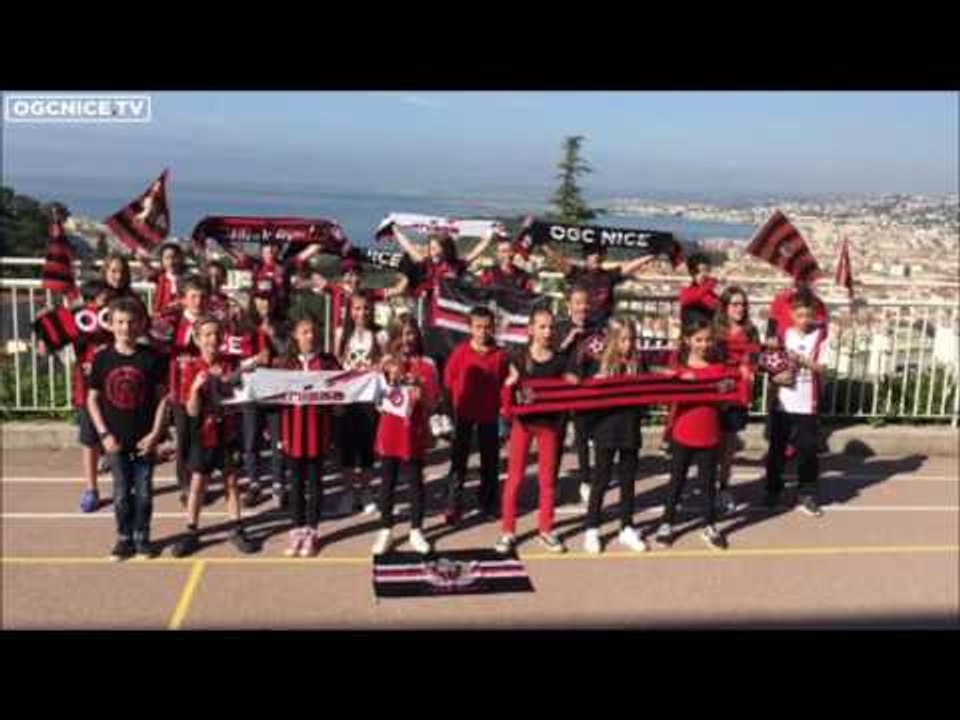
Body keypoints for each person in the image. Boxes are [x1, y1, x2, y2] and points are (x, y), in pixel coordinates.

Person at [86, 298, 169, 560]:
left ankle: (142, 536)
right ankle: (124, 537)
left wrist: (156, 434)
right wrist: (104, 435)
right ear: (110, 325)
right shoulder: (102, 359)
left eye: (132, 322)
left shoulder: (151, 359)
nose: (126, 327)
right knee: (121, 493)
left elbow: (163, 399)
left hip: (144, 440)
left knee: (144, 493)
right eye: (120, 322)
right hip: (115, 441)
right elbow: (92, 399)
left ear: (142, 325)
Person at [171, 316, 258, 557]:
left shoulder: (230, 364)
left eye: (217, 334)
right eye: (207, 334)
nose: (213, 339)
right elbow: (191, 410)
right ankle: (191, 530)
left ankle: (236, 527)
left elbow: (241, 395)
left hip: (227, 432)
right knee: (198, 483)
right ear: (197, 339)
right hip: (204, 434)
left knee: (231, 481)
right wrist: (196, 389)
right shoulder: (190, 367)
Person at [495, 308, 578, 555]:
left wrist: (573, 381)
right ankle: (508, 531)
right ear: (530, 329)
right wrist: (508, 387)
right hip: (523, 425)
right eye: (542, 327)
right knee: (514, 479)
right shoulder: (518, 357)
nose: (547, 332)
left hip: (548, 428)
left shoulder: (560, 360)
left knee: (547, 481)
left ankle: (545, 530)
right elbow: (506, 398)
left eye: (550, 327)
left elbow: (573, 387)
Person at [654, 316, 734, 551]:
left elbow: (726, 379)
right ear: (688, 340)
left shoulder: (717, 365)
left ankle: (709, 525)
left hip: (708, 431)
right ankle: (666, 523)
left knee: (707, 482)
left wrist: (695, 378)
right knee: (676, 480)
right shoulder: (678, 364)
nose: (704, 344)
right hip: (682, 430)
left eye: (708, 340)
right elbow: (666, 389)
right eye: (698, 340)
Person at [371, 317, 440, 556]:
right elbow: (377, 401)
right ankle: (385, 528)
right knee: (387, 481)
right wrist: (387, 376)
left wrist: (420, 395)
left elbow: (433, 403)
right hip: (390, 429)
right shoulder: (385, 363)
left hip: (415, 431)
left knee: (415, 481)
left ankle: (416, 529)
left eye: (410, 333)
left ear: (417, 336)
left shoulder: (428, 365)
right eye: (400, 334)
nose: (406, 339)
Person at [273, 318, 342, 557]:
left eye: (313, 331)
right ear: (295, 336)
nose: (310, 336)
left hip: (317, 430)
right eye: (304, 332)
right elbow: (273, 397)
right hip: (292, 431)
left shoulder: (326, 362)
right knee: (296, 484)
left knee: (315, 483)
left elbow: (342, 389)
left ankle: (312, 530)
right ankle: (296, 530)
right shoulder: (285, 364)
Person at [582, 316, 649, 554]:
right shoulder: (601, 365)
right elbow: (586, 395)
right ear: (612, 341)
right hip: (606, 430)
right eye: (623, 339)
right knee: (600, 480)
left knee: (628, 481)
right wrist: (597, 384)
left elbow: (648, 393)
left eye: (631, 339)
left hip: (630, 428)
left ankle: (627, 527)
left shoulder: (638, 363)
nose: (628, 344)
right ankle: (591, 528)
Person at [763, 289, 829, 517]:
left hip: (807, 403)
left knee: (808, 451)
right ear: (792, 314)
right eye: (800, 315)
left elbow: (822, 368)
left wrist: (801, 360)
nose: (804, 321)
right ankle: (773, 489)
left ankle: (807, 493)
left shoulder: (820, 337)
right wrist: (776, 376)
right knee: (776, 450)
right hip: (783, 401)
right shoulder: (783, 335)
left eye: (808, 316)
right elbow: (769, 365)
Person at [443, 306, 510, 523]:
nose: (483, 332)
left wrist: (503, 408)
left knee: (490, 462)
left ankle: (488, 503)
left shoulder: (499, 355)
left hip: (489, 415)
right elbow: (448, 381)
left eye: (487, 328)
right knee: (458, 461)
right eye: (478, 327)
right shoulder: (460, 352)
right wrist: (449, 409)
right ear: (470, 328)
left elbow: (504, 382)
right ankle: (453, 504)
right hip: (463, 413)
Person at [333, 293, 387, 515]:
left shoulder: (380, 334)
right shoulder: (341, 333)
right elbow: (336, 363)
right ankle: (348, 493)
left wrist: (379, 367)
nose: (361, 313)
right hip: (347, 398)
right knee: (346, 448)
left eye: (365, 308)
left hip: (369, 399)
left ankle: (365, 491)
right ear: (350, 311)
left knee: (366, 448)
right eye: (356, 308)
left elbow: (386, 360)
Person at [552, 284, 607, 504]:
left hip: (585, 391)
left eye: (585, 303)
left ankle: (585, 480)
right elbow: (553, 357)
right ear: (569, 305)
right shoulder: (559, 328)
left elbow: (603, 357)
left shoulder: (597, 329)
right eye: (577, 303)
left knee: (583, 439)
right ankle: (552, 481)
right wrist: (570, 338)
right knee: (557, 437)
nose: (582, 307)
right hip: (562, 392)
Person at [237, 290, 288, 510]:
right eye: (260, 298)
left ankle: (278, 485)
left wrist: (274, 339)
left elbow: (290, 356)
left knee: (278, 442)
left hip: (275, 390)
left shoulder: (283, 325)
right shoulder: (244, 326)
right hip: (251, 391)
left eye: (268, 298)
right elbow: (236, 361)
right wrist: (255, 360)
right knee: (250, 441)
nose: (264, 303)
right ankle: (254, 484)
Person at [714, 286, 760, 514]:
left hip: (736, 394)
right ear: (725, 307)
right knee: (711, 443)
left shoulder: (751, 332)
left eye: (743, 304)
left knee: (728, 446)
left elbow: (755, 359)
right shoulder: (715, 331)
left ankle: (723, 487)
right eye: (735, 304)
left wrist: (749, 369)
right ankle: (708, 487)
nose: (740, 308)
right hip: (714, 391)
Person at [71, 280, 116, 513]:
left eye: (110, 300)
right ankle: (91, 488)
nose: (107, 305)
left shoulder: (115, 321)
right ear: (89, 303)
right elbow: (52, 340)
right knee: (90, 441)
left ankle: (123, 485)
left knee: (118, 438)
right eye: (102, 300)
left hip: (115, 390)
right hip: (86, 390)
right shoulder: (78, 324)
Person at [167, 276, 209, 506]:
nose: (198, 301)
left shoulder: (212, 324)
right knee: (183, 438)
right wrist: (170, 389)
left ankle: (200, 483)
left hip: (205, 389)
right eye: (193, 296)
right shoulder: (174, 324)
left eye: (202, 296)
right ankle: (184, 484)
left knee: (203, 437)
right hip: (181, 389)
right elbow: (167, 355)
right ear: (183, 299)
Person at [542, 243, 654, 327]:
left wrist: (652, 254)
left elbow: (630, 266)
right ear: (585, 256)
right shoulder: (576, 273)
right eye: (592, 252)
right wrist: (542, 244)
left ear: (603, 257)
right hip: (578, 325)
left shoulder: (609, 276)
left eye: (599, 253)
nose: (596, 256)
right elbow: (557, 261)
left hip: (601, 328)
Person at [138, 240, 186, 318]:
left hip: (180, 317)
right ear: (162, 260)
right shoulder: (160, 276)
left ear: (181, 258)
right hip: (161, 317)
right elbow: (148, 272)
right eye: (167, 258)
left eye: (174, 257)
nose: (171, 261)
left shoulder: (188, 278)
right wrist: (144, 262)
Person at [678, 252, 721, 326]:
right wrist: (713, 282)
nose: (703, 274)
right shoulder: (687, 289)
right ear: (692, 272)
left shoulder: (709, 292)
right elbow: (693, 298)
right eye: (699, 271)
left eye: (706, 270)